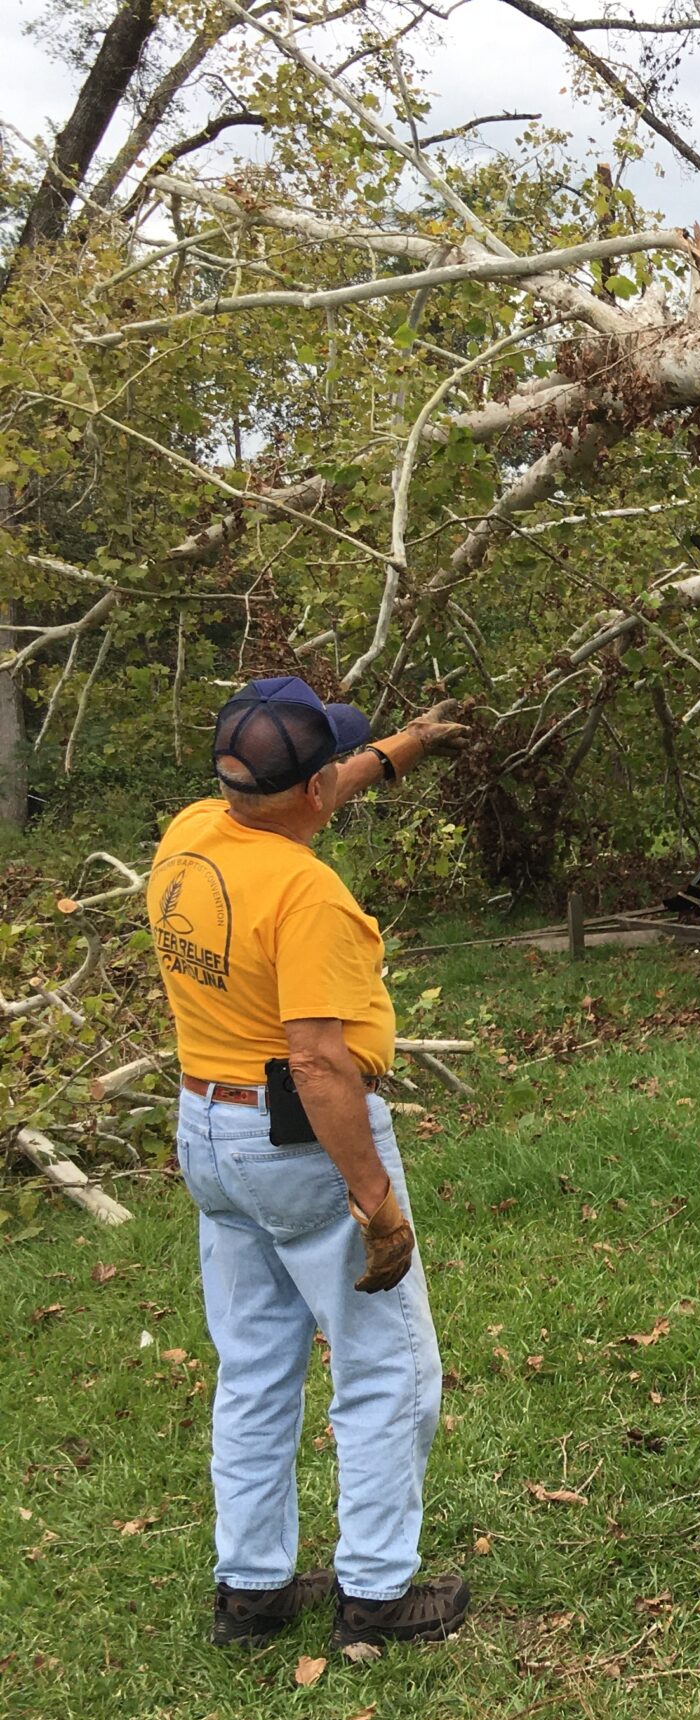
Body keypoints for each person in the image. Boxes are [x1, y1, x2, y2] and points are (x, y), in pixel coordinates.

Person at [151, 675, 471, 1652]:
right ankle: (376, 1597)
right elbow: (320, 1061)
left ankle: (250, 1593)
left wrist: (408, 744)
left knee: (253, 1367)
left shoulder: (196, 832)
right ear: (307, 786)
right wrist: (372, 1199)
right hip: (298, 1142)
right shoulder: (308, 895)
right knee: (387, 1368)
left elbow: (317, 791)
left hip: (210, 1131)